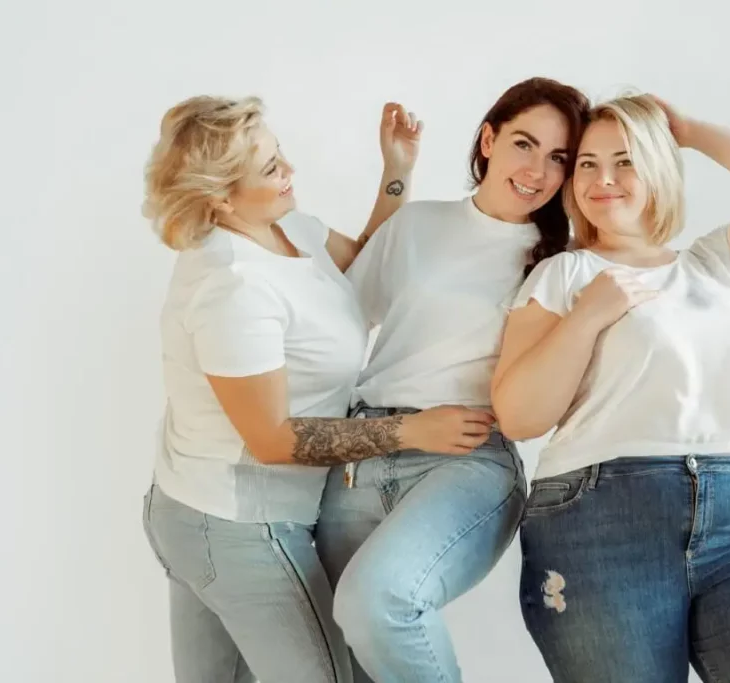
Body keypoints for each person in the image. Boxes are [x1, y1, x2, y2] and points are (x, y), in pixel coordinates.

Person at [492, 94, 730, 682]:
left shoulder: (714, 265)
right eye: (586, 163)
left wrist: (687, 129)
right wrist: (587, 317)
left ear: (659, 166)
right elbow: (520, 415)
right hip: (598, 518)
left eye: (625, 160)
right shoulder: (563, 274)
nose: (602, 179)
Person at [140, 95, 493, 683]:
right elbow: (272, 440)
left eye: (281, 156)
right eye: (271, 169)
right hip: (237, 524)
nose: (289, 172)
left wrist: (396, 171)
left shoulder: (288, 228)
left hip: (199, 511)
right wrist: (409, 430)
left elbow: (361, 278)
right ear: (219, 197)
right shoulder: (232, 287)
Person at [313, 77, 590, 683]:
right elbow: (348, 308)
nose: (538, 170)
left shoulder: (561, 262)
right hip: (362, 452)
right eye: (524, 143)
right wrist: (396, 172)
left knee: (377, 601)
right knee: (351, 660)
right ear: (488, 140)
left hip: (466, 458)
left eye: (559, 158)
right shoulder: (417, 224)